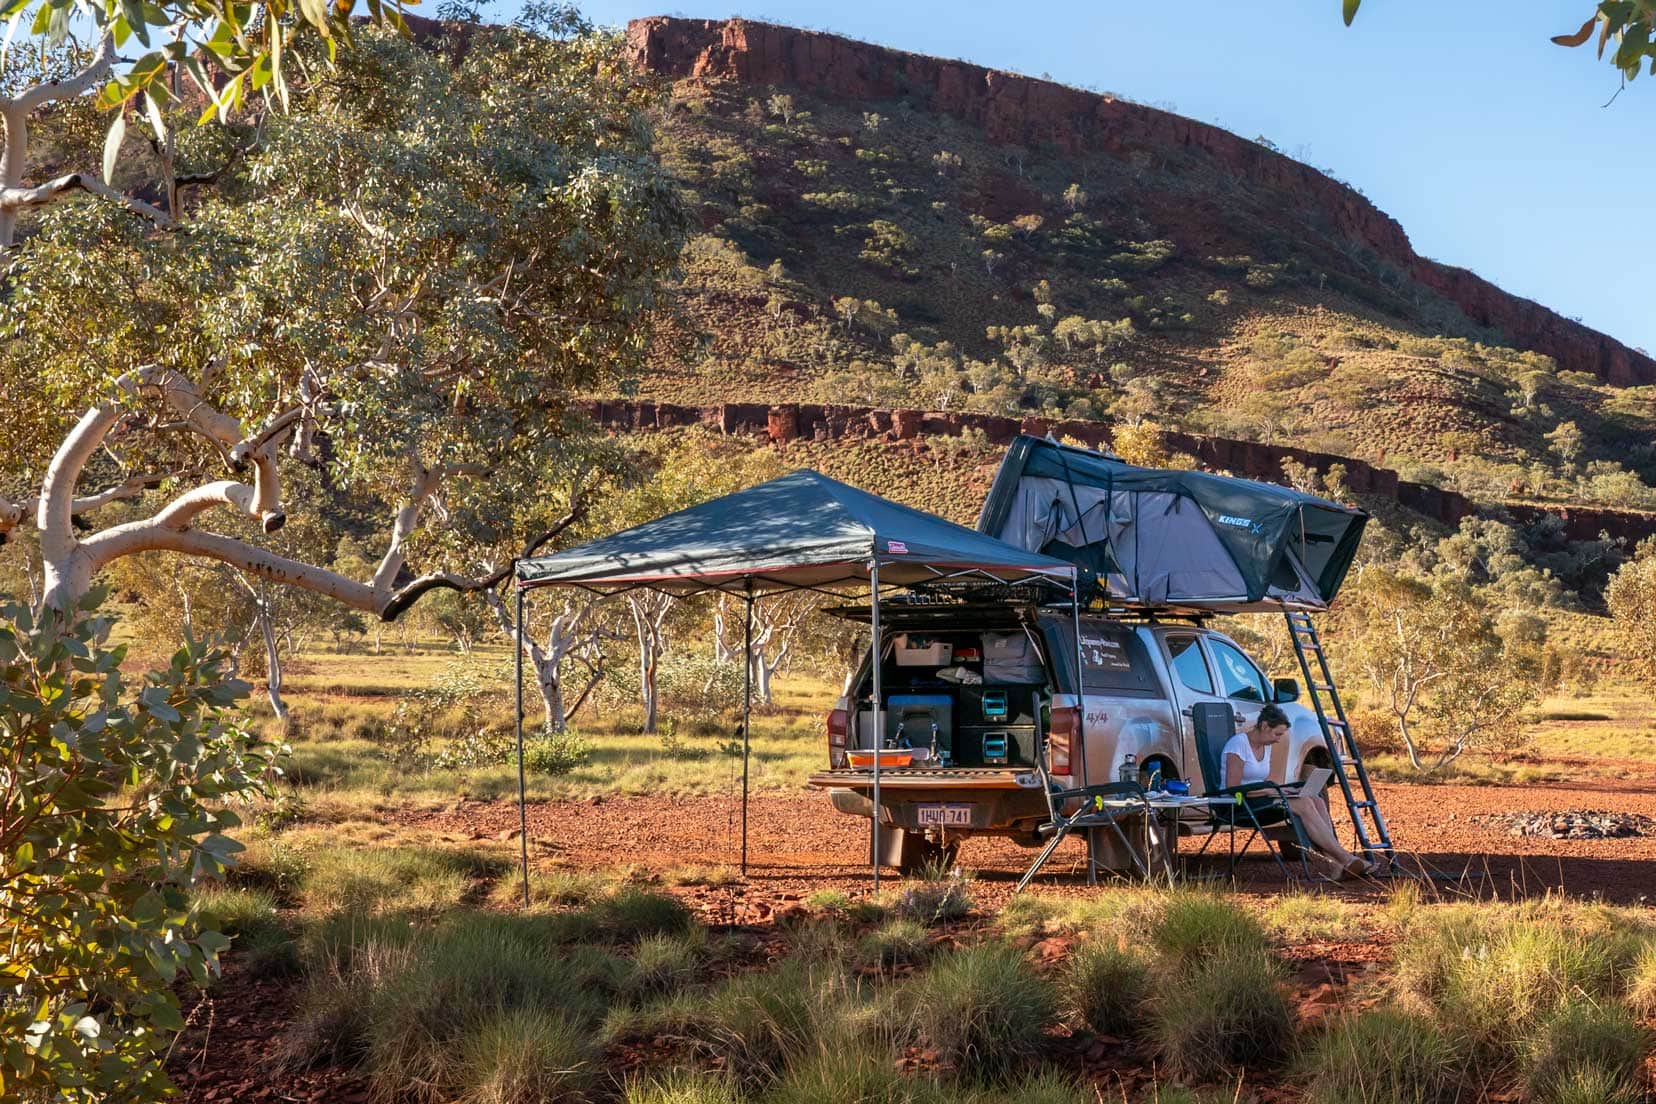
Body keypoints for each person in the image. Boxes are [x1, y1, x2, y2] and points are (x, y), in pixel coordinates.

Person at [1222, 704, 1373, 879]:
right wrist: (1271, 792)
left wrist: (1284, 789)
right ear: (1264, 726)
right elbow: (1233, 788)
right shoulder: (1238, 744)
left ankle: (1335, 862)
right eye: (1277, 734)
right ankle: (1343, 857)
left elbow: (1262, 780)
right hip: (1240, 804)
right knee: (1304, 804)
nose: (1278, 739)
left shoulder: (1265, 745)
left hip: (1261, 797)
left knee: (1316, 800)